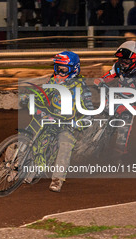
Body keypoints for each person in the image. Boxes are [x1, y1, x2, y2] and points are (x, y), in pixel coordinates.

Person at [33, 51, 94, 192]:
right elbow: (43, 95)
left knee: (66, 143)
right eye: (57, 67)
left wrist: (81, 122)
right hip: (48, 118)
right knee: (27, 135)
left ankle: (57, 179)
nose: (59, 71)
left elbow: (89, 110)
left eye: (63, 69)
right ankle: (10, 165)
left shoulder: (81, 87)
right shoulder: (53, 80)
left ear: (74, 69)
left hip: (66, 124)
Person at [94, 41, 136, 154]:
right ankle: (86, 139)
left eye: (126, 60)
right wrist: (101, 81)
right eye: (121, 60)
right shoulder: (117, 67)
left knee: (123, 129)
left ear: (135, 60)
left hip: (129, 107)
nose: (122, 63)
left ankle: (118, 155)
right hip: (112, 101)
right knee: (97, 117)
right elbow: (106, 77)